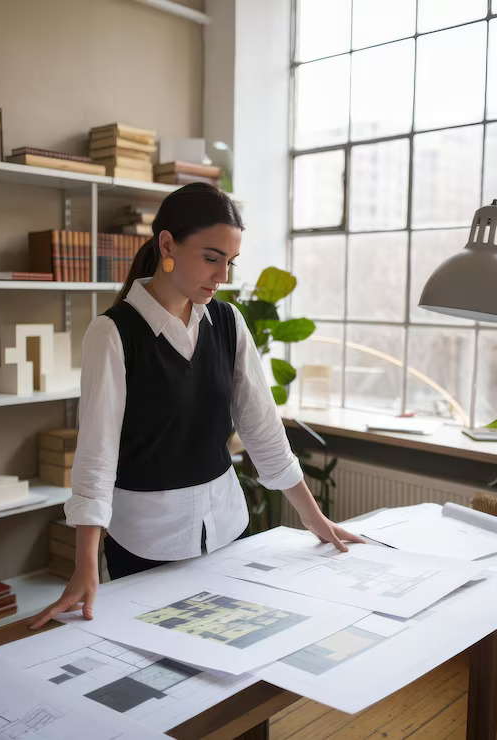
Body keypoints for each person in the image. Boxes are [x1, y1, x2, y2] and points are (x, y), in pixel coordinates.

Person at [29, 183, 361, 630]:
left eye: (230, 262)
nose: (222, 275)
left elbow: (263, 431)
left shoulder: (228, 322)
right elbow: (96, 457)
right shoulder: (113, 334)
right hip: (147, 544)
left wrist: (314, 519)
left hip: (228, 529)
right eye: (211, 257)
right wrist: (85, 563)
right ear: (167, 244)